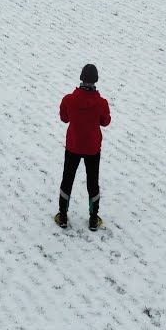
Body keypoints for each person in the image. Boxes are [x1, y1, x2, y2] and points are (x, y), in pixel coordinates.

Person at [56, 63, 111, 231]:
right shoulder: (101, 103)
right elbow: (105, 122)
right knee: (93, 183)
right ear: (96, 80)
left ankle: (62, 216)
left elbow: (64, 118)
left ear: (81, 78)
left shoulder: (68, 100)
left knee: (67, 179)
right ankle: (93, 219)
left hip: (73, 146)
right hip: (92, 148)